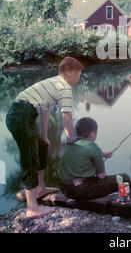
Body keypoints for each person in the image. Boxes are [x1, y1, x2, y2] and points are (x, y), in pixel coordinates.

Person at [6, 56, 84, 219]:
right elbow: (67, 115)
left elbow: (45, 110)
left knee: (41, 147)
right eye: (78, 74)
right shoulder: (65, 87)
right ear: (70, 73)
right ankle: (32, 207)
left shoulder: (54, 82)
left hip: (22, 113)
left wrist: (44, 137)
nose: (79, 77)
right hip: (21, 115)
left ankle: (40, 188)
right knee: (29, 159)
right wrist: (70, 137)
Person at [60, 117, 131, 200]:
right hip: (81, 191)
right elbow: (102, 176)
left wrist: (102, 154)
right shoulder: (93, 147)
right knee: (125, 178)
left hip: (66, 190)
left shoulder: (70, 144)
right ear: (92, 134)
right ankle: (127, 194)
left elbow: (83, 152)